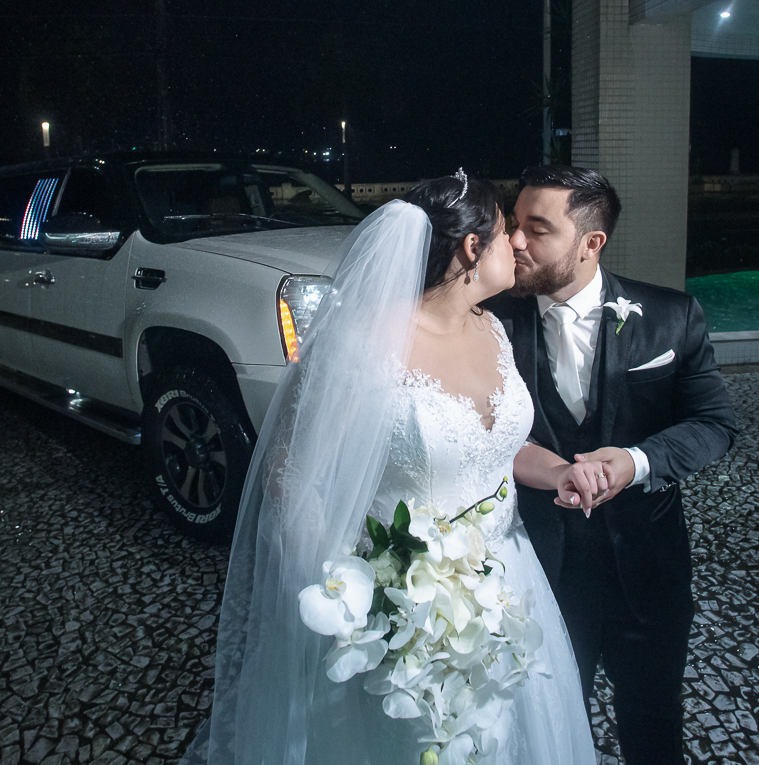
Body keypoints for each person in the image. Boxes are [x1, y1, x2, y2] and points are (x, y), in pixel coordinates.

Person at [182, 172, 600, 764]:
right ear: (473, 248)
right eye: (508, 232)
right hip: (400, 600)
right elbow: (292, 472)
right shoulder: (362, 342)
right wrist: (358, 600)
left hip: (505, 582)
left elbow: (495, 446)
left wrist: (559, 472)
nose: (520, 247)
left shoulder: (495, 331)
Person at [488, 165, 738, 765]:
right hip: (536, 571)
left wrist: (636, 460)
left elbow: (715, 424)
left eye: (537, 229)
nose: (516, 242)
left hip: (647, 568)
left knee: (653, 721)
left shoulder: (672, 316)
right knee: (543, 724)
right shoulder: (490, 321)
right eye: (514, 225)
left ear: (590, 243)